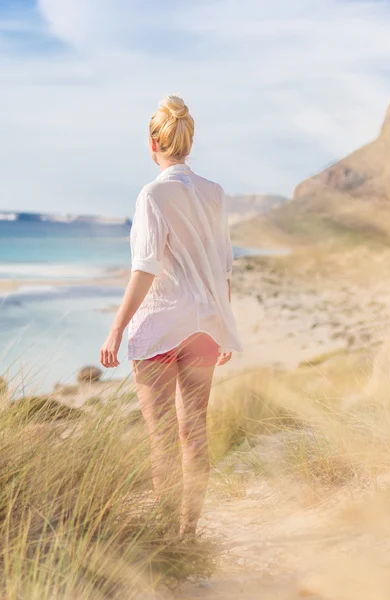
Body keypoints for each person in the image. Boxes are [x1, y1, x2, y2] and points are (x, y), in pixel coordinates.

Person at [100, 95, 242, 539]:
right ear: (189, 140)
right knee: (194, 433)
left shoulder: (152, 194)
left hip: (162, 324)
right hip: (203, 325)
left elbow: (145, 269)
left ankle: (165, 539)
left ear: (152, 143)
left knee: (162, 437)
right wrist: (223, 326)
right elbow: (223, 267)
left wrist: (116, 329)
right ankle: (188, 532)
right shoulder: (215, 193)